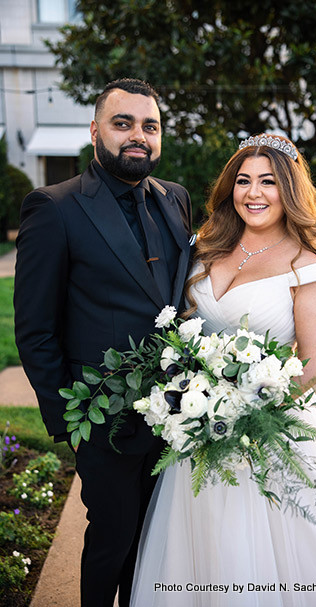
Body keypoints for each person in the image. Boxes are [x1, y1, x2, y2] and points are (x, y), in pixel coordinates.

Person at [129, 134, 316, 606]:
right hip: (200, 426)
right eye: (243, 181)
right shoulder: (206, 246)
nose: (253, 193)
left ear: (290, 191)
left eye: (268, 182)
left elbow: (315, 364)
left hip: (271, 432)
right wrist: (198, 403)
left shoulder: (307, 263)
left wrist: (244, 414)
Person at [14, 78, 193, 607]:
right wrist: (71, 417)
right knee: (112, 539)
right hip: (105, 417)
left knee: (156, 540)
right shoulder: (53, 208)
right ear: (96, 131)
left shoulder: (176, 198)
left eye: (150, 126)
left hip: (180, 411)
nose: (138, 135)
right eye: (124, 123)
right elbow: (35, 329)